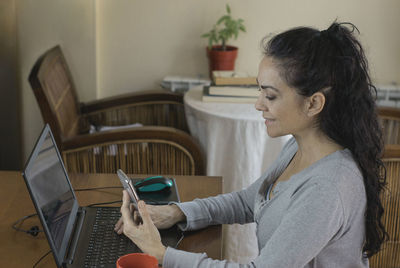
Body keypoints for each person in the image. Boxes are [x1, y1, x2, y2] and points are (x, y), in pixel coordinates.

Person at [114, 21, 387, 267]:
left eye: (270, 96)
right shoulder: (301, 145)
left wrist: (161, 253)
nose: (258, 104)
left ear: (314, 103)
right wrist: (177, 212)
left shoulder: (326, 188)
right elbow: (250, 201)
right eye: (260, 91)